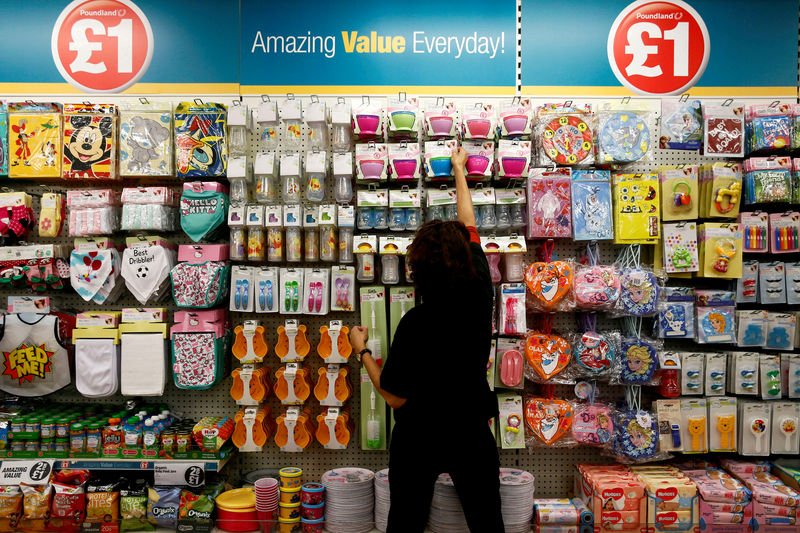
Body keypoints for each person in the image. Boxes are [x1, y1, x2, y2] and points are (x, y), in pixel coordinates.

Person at [349, 147, 503, 533]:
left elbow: (394, 396)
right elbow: (470, 228)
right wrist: (459, 172)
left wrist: (362, 350)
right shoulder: (481, 292)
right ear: (467, 260)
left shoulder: (415, 323)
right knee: (487, 521)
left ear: (417, 269)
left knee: (406, 521)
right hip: (470, 429)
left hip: (418, 436)